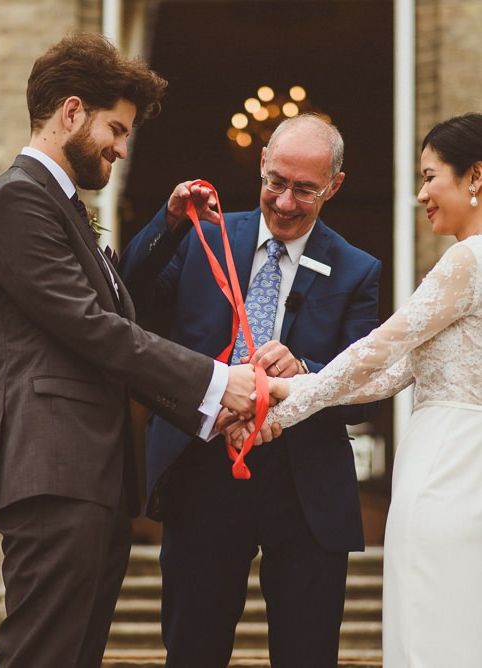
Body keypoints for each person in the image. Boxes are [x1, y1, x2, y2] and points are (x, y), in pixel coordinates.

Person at [0, 33, 254, 668]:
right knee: (44, 654)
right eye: (116, 130)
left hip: (88, 473)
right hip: (54, 467)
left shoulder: (61, 208)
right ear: (71, 112)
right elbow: (95, 329)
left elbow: (117, 304)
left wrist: (171, 224)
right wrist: (216, 384)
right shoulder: (18, 200)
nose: (122, 150)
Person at [119, 113, 381, 667]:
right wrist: (167, 223)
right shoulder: (202, 237)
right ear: (261, 165)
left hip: (304, 487)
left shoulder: (358, 271)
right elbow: (129, 300)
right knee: (192, 650)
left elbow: (367, 394)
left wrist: (309, 370)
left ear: (334, 185)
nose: (285, 202)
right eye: (276, 182)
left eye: (305, 189)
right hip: (202, 472)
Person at [232, 113, 482, 667]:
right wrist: (288, 393)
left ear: (476, 177)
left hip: (448, 465)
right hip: (465, 461)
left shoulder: (467, 260)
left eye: (429, 176)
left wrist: (269, 400)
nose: (421, 195)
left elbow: (378, 350)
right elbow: (392, 375)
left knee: (433, 619)